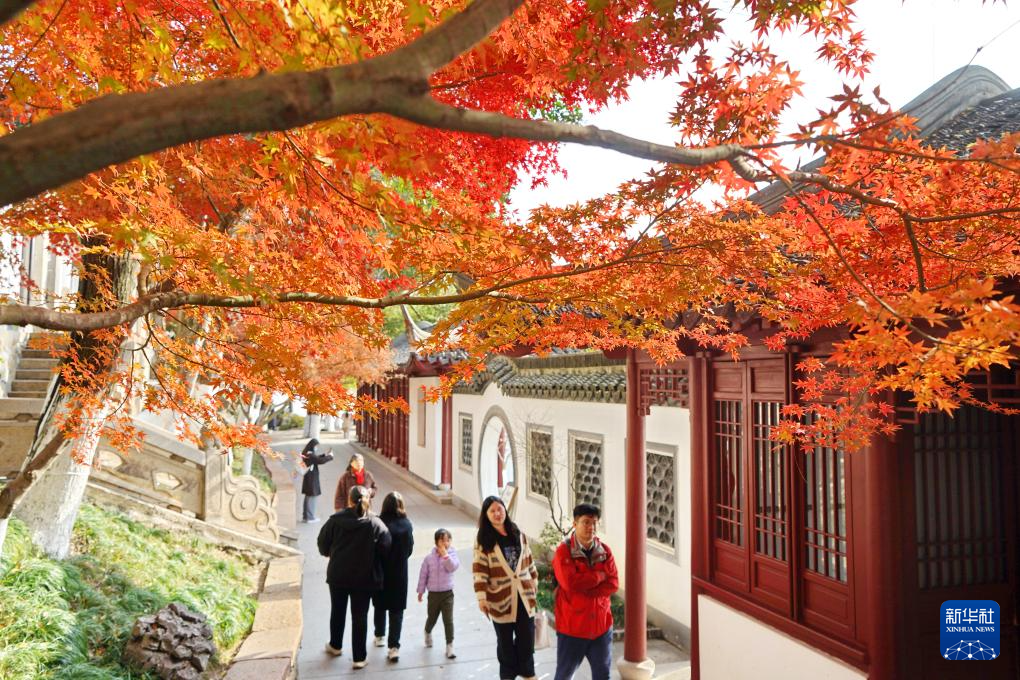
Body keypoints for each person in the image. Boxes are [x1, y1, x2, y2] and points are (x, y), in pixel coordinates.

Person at [317, 485, 392, 670]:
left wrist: (331, 552)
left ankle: (335, 645)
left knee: (338, 610)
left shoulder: (335, 521)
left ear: (349, 500)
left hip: (338, 575)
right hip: (364, 578)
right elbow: (386, 544)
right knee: (360, 616)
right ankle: (359, 658)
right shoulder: (374, 523)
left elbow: (322, 544)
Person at [472, 496, 539, 680]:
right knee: (505, 644)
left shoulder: (517, 532)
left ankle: (528, 673)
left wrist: (534, 582)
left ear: (505, 510)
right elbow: (479, 570)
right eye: (492, 511)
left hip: (524, 596)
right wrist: (482, 598)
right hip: (500, 599)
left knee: (527, 640)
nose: (497, 514)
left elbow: (529, 560)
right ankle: (508, 675)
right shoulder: (483, 540)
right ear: (486, 515)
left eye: (499, 509)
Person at [552, 503, 619, 680]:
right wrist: (599, 576)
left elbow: (613, 584)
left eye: (595, 522)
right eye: (586, 522)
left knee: (603, 676)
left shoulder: (605, 551)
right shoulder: (563, 552)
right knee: (564, 676)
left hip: (601, 627)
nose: (591, 527)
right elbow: (570, 583)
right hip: (572, 628)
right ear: (575, 524)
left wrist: (587, 589)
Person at [373, 492, 414, 662]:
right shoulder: (407, 525)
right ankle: (394, 647)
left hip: (381, 571)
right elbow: (409, 549)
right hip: (399, 572)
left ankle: (379, 635)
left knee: (380, 605)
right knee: (397, 610)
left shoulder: (378, 523)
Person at [417, 528, 460, 659]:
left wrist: (445, 556)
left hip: (447, 593)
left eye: (448, 540)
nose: (445, 543)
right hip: (433, 594)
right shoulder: (429, 558)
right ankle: (427, 632)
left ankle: (450, 645)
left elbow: (452, 567)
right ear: (436, 542)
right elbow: (423, 575)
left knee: (448, 620)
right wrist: (420, 591)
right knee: (432, 618)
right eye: (442, 540)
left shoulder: (452, 555)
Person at [299, 438, 333, 523]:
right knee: (312, 497)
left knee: (308, 496)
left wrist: (324, 454)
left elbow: (316, 458)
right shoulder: (310, 455)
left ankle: (306, 516)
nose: (316, 447)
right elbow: (320, 461)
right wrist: (330, 456)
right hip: (311, 479)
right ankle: (310, 517)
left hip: (309, 477)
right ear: (312, 446)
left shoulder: (307, 453)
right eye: (316, 446)